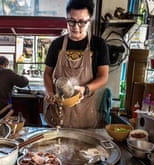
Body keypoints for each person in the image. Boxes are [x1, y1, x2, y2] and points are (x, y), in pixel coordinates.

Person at [43, 0, 110, 129]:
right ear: (67, 19)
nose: (76, 27)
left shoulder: (98, 44)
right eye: (71, 21)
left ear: (89, 20)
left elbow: (103, 77)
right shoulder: (57, 44)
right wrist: (50, 92)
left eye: (82, 22)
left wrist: (86, 89)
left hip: (84, 112)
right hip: (59, 110)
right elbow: (47, 74)